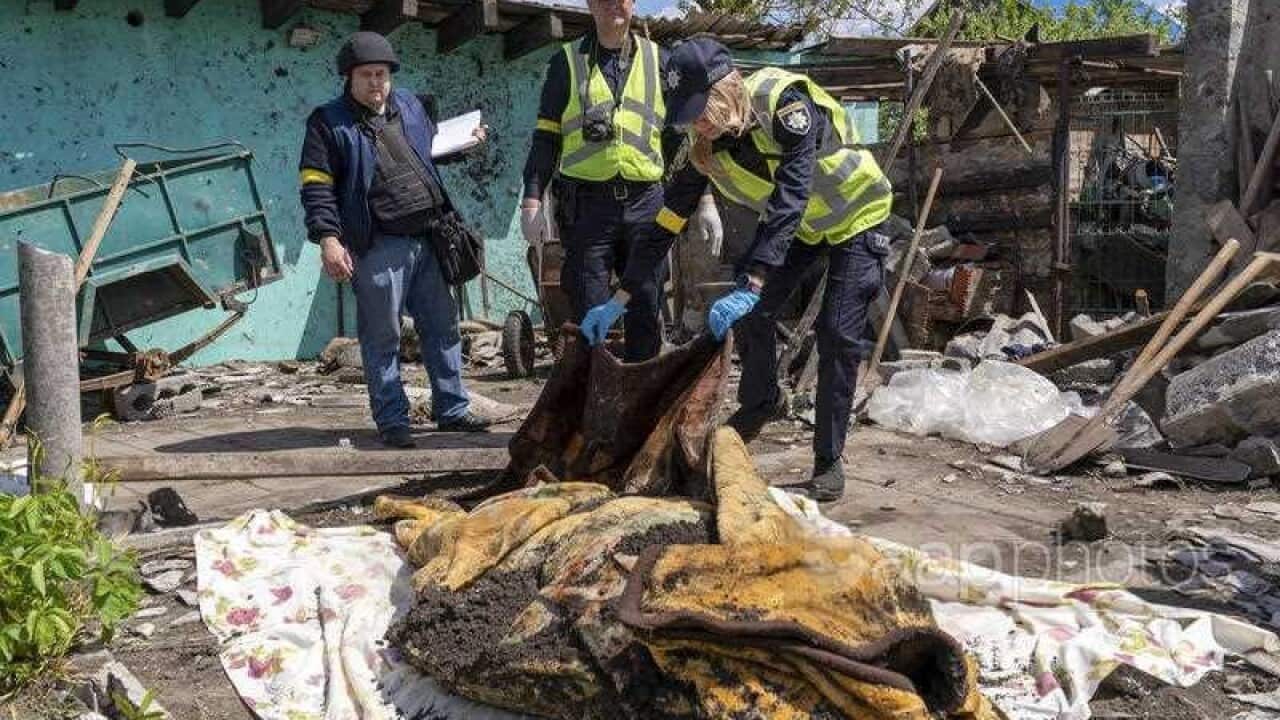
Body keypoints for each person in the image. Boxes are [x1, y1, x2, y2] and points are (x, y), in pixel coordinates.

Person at [580, 39, 894, 502]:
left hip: (858, 216)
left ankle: (828, 460)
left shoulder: (784, 104)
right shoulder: (705, 147)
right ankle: (763, 400)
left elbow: (792, 194)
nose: (698, 123)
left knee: (837, 336)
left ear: (725, 87)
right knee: (750, 313)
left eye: (701, 108)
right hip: (805, 230)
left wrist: (755, 279)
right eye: (688, 114)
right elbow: (669, 218)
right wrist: (620, 297)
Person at [299, 31, 490, 448]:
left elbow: (423, 151)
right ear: (348, 77)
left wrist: (462, 146)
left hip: (429, 238)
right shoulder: (328, 122)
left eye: (382, 74)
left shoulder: (409, 106)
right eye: (367, 75)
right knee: (382, 336)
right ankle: (392, 420)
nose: (376, 83)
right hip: (378, 244)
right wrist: (328, 239)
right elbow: (316, 186)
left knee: (443, 328)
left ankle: (453, 410)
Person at [519, 0, 674, 362]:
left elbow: (682, 137)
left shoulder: (660, 60)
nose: (611, 4)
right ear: (589, 4)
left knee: (646, 302)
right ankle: (595, 397)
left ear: (633, 2)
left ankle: (641, 397)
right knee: (589, 306)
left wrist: (702, 199)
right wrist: (532, 199)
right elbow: (546, 137)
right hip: (588, 207)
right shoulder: (566, 62)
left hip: (646, 201)